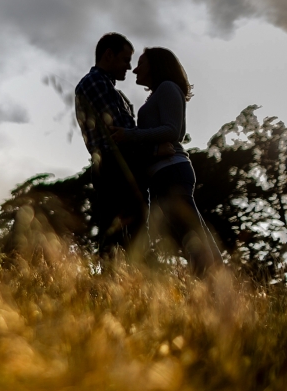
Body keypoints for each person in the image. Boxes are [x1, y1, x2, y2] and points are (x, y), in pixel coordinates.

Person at [110, 47, 222, 275]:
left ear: (155, 64)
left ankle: (212, 287)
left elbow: (173, 131)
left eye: (141, 63)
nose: (135, 70)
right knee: (192, 234)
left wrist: (129, 134)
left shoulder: (167, 87)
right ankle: (220, 283)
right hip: (164, 173)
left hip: (172, 171)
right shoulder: (159, 92)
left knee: (189, 236)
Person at [75, 33, 172, 256]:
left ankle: (124, 285)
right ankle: (121, 285)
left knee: (125, 236)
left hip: (116, 167)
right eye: (126, 59)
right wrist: (155, 149)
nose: (129, 67)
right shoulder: (96, 83)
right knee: (128, 237)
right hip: (115, 168)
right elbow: (119, 133)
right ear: (109, 55)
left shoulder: (107, 87)